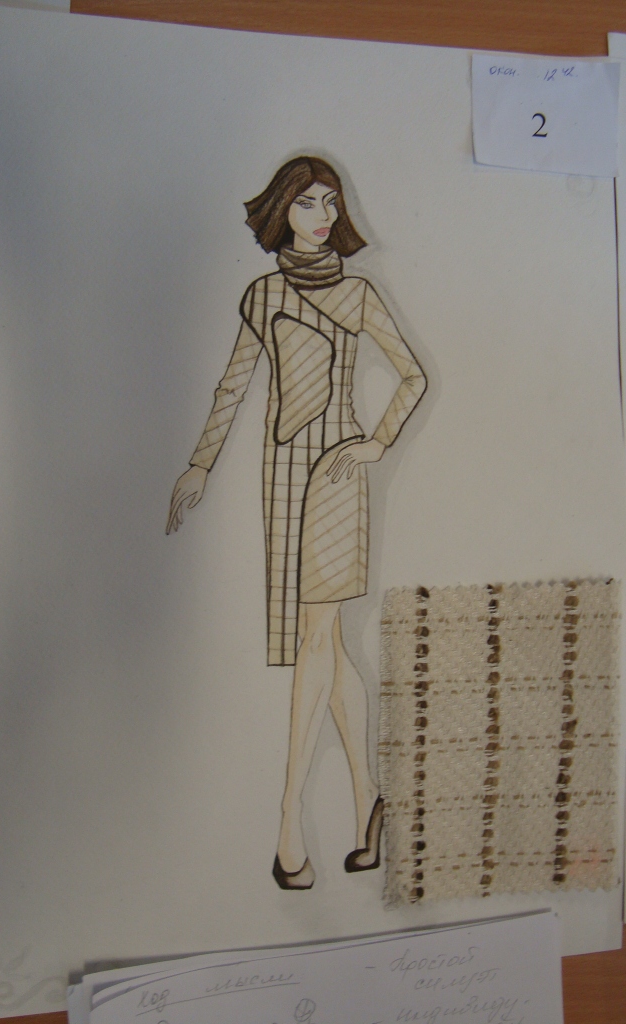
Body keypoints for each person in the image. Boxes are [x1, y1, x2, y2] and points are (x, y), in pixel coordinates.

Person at [167, 156, 426, 889]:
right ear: (282, 210)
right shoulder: (263, 294)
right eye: (307, 203)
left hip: (338, 472)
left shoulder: (359, 293)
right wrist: (199, 464)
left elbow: (414, 375)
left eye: (329, 203)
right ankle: (369, 801)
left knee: (315, 634)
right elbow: (233, 386)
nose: (321, 216)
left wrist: (376, 443)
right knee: (330, 643)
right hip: (281, 475)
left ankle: (288, 823)